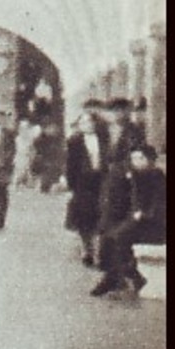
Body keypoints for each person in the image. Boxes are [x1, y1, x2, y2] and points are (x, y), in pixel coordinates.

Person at [91, 143, 166, 296]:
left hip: (154, 225)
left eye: (140, 158)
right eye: (133, 158)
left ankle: (119, 279)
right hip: (138, 222)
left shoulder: (157, 176)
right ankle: (127, 277)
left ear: (150, 160)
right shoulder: (133, 175)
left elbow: (159, 203)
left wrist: (143, 214)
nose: (136, 161)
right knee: (111, 236)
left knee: (118, 238)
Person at [64, 104, 109, 267]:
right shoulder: (74, 141)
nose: (86, 125)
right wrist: (71, 186)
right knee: (83, 218)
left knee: (99, 214)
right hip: (82, 183)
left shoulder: (103, 138)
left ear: (94, 123)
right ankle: (86, 250)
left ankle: (98, 252)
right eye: (82, 123)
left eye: (89, 122)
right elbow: (70, 165)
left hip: (100, 180)